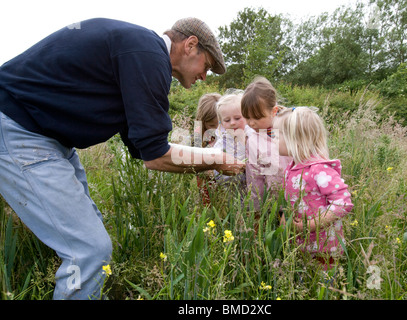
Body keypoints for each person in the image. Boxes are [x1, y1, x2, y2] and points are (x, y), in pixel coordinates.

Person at [0, 17, 243, 300]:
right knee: (88, 249)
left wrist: (205, 157)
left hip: (47, 137)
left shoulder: (139, 52)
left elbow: (141, 146)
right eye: (208, 66)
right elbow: (155, 156)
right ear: (190, 45)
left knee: (90, 231)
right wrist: (215, 159)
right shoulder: (147, 54)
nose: (205, 76)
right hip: (21, 129)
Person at [274, 107, 353, 270]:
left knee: (323, 286)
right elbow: (289, 197)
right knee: (305, 281)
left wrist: (311, 225)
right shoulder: (292, 167)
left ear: (295, 139)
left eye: (277, 135)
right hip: (301, 243)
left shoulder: (319, 169)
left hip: (324, 246)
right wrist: (283, 215)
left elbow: (343, 203)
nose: (273, 140)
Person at [241, 77, 291, 212]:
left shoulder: (291, 130)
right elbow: (254, 179)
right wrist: (255, 211)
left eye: (257, 118)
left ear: (273, 111)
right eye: (247, 117)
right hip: (273, 206)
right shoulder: (252, 141)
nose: (251, 123)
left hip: (301, 202)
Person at [213, 90, 254, 193]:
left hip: (254, 186)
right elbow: (216, 166)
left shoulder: (253, 135)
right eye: (227, 120)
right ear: (221, 123)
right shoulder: (222, 142)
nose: (232, 123)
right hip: (232, 188)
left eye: (237, 118)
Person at [194, 93, 221, 205]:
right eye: (212, 125)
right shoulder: (198, 136)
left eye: (220, 124)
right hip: (207, 186)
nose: (217, 129)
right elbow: (195, 164)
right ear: (202, 121)